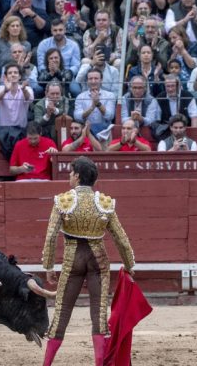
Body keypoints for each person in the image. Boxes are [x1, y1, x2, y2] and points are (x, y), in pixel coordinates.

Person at [41, 155, 135, 366]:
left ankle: (46, 364)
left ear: (77, 176)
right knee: (99, 314)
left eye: (71, 173)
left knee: (62, 312)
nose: (69, 176)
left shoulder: (63, 201)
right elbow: (121, 238)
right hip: (98, 260)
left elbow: (50, 237)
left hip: (72, 258)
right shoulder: (105, 203)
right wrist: (129, 265)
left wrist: (48, 266)